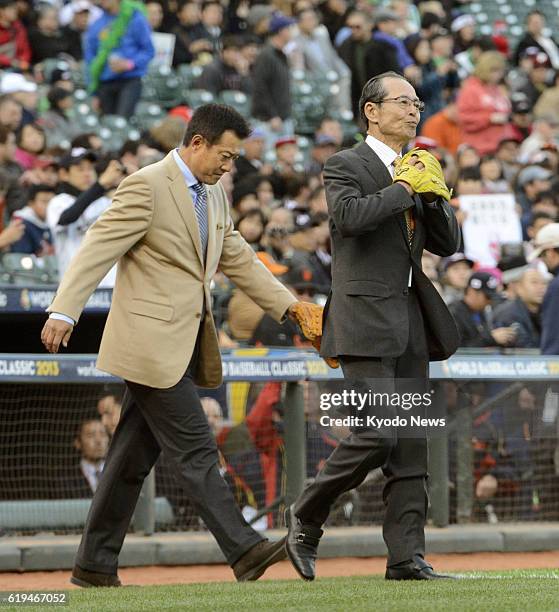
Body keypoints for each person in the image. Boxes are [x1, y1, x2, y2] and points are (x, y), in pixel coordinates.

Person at [40, 104, 317, 587]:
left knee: (128, 460)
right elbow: (99, 244)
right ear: (196, 143)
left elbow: (239, 258)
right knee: (197, 449)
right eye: (225, 155)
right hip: (148, 345)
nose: (229, 166)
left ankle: (93, 566)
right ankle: (245, 550)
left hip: (184, 344)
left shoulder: (212, 194)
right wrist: (65, 309)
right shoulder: (147, 184)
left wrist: (291, 308)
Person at [285, 72, 460, 581]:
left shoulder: (419, 166)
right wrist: (406, 187)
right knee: (381, 431)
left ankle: (406, 559)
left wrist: (433, 195)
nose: (413, 111)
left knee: (410, 445)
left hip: (409, 316)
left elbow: (447, 244)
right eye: (403, 102)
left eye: (417, 103)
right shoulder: (345, 164)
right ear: (372, 111)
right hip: (361, 316)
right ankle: (306, 513)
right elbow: (349, 218)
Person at [46, 148, 124, 287]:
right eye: (80, 169)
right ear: (64, 174)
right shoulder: (59, 202)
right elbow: (67, 217)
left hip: (109, 285)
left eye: (90, 168)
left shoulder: (105, 202)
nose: (87, 173)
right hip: (74, 288)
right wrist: (100, 185)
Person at [84, 0, 155, 118]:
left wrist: (129, 64)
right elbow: (90, 60)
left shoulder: (135, 18)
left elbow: (148, 51)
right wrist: (93, 92)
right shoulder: (97, 24)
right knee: (106, 124)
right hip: (105, 83)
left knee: (122, 122)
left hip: (130, 80)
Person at [449, 272, 517, 348]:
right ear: (472, 292)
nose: (490, 301)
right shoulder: (453, 313)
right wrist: (491, 338)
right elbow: (457, 350)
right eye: (487, 297)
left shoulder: (481, 311)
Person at [530, 223, 559, 354]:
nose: (542, 261)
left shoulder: (556, 287)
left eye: (542, 255)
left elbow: (553, 341)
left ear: (551, 252)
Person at [10, 183, 55, 255]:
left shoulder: (52, 222)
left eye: (52, 202)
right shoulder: (21, 224)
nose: (49, 206)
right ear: (31, 203)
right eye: (44, 201)